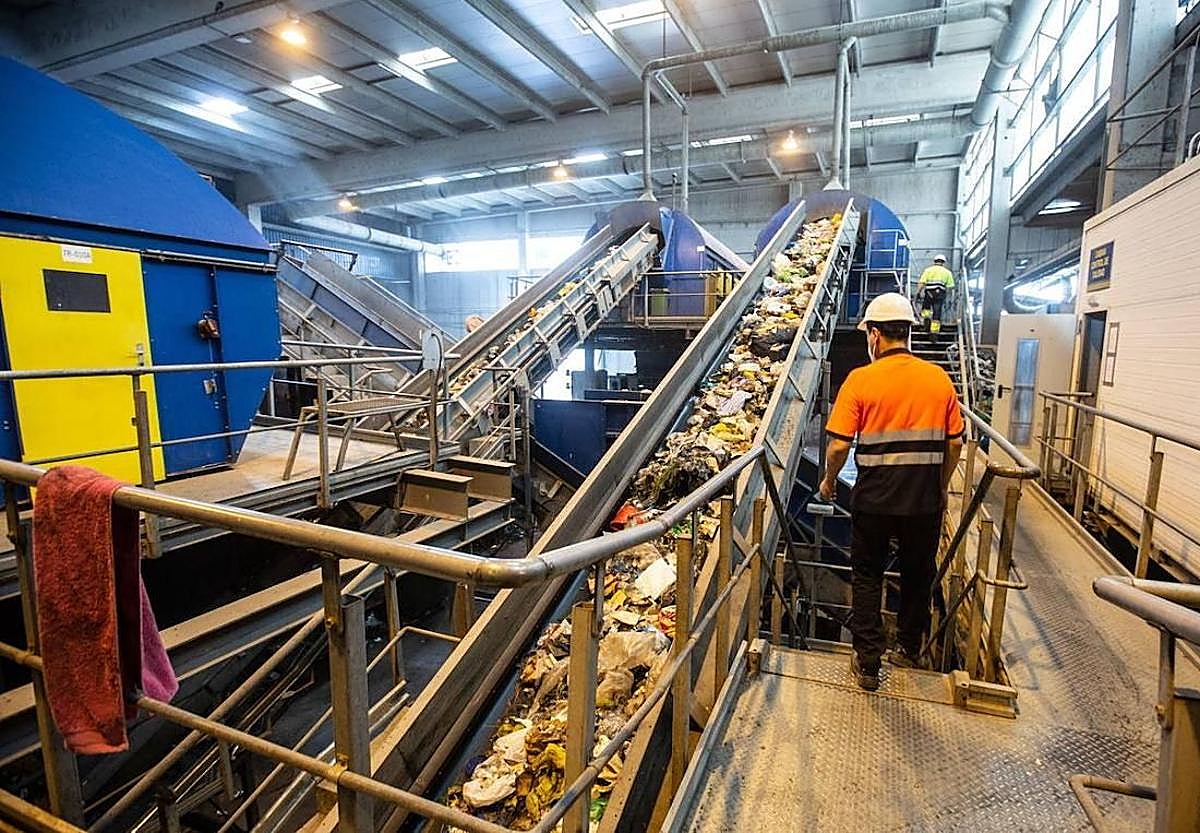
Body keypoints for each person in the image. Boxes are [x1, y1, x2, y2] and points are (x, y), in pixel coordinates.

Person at [819, 292, 964, 690]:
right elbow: (955, 444)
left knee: (867, 574)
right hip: (923, 499)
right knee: (919, 573)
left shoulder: (861, 380)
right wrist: (941, 483)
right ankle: (909, 647)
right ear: (909, 333)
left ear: (876, 335)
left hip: (875, 499)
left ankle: (868, 663)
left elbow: (838, 445)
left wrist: (830, 481)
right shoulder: (938, 378)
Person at [916, 255, 955, 333]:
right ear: (943, 262)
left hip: (929, 293)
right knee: (937, 312)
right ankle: (934, 333)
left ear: (934, 261)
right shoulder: (947, 272)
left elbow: (922, 282)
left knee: (926, 309)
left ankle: (926, 323)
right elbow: (950, 287)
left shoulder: (928, 270)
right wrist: (946, 296)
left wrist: (918, 292)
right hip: (940, 294)